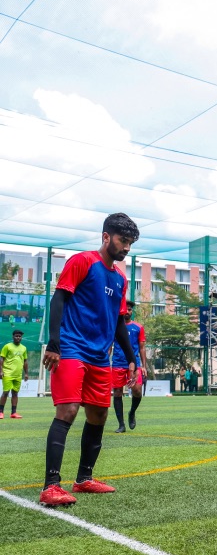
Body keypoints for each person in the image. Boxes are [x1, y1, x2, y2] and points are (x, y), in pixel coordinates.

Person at [39, 213, 140, 507]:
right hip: (71, 348)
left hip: (100, 356)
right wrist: (54, 343)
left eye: (130, 243)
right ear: (106, 237)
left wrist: (132, 358)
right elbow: (58, 299)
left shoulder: (120, 278)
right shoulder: (82, 261)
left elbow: (119, 322)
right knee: (68, 410)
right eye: (123, 240)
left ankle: (84, 479)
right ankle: (51, 486)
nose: (126, 248)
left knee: (99, 415)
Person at [111, 300, 149, 433]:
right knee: (117, 392)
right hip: (117, 363)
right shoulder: (114, 326)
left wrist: (144, 366)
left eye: (130, 309)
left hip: (134, 364)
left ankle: (132, 412)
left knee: (137, 390)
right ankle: (121, 425)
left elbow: (142, 348)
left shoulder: (138, 327)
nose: (127, 311)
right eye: (125, 309)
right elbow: (109, 346)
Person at [0, 329, 28, 418]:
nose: (18, 337)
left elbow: (25, 361)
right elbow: (1, 359)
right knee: (5, 392)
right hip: (7, 373)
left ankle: (13, 413)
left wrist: (26, 373)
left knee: (15, 393)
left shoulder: (24, 348)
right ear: (13, 337)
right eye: (16, 336)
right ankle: (1, 412)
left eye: (19, 336)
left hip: (18, 374)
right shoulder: (7, 346)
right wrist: (1, 371)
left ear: (21, 337)